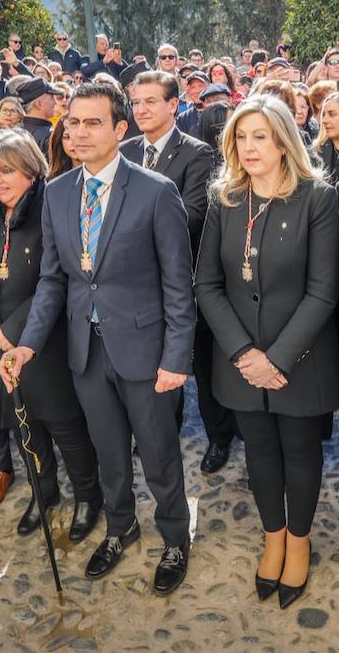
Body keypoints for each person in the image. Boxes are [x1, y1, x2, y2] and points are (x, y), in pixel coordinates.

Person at [0, 83, 195, 595]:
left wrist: (177, 356)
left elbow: (179, 285)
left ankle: (175, 536)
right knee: (108, 451)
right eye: (73, 124)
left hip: (145, 353)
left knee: (157, 451)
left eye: (92, 123)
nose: (78, 134)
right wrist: (28, 344)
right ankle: (121, 525)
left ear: (119, 129)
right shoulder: (59, 192)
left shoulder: (155, 191)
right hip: (84, 350)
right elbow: (52, 279)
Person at [194, 95, 339, 608]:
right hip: (239, 363)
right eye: (241, 136)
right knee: (258, 452)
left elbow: (324, 290)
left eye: (261, 136)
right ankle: (272, 536)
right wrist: (242, 354)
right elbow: (207, 284)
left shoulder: (317, 198)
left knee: (300, 453)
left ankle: (298, 543)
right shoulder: (224, 197)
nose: (249, 146)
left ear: (283, 141)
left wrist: (275, 359)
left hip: (299, 361)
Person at [0, 131, 103, 533]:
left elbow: (58, 279)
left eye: (7, 170)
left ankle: (88, 497)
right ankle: (42, 491)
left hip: (43, 346)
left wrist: (11, 331)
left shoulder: (53, 210)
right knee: (23, 427)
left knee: (65, 427)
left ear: (31, 171)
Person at [120, 71, 234, 473]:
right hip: (137, 281)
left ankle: (219, 436)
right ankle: (158, 430)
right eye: (136, 102)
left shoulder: (197, 153)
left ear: (174, 105)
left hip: (186, 275)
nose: (141, 109)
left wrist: (130, 229)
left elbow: (192, 215)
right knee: (153, 361)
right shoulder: (125, 151)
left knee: (202, 363)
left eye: (151, 101)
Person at [8, 76, 63, 151]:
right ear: (39, 104)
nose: (55, 102)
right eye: (52, 98)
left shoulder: (12, 132)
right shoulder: (50, 136)